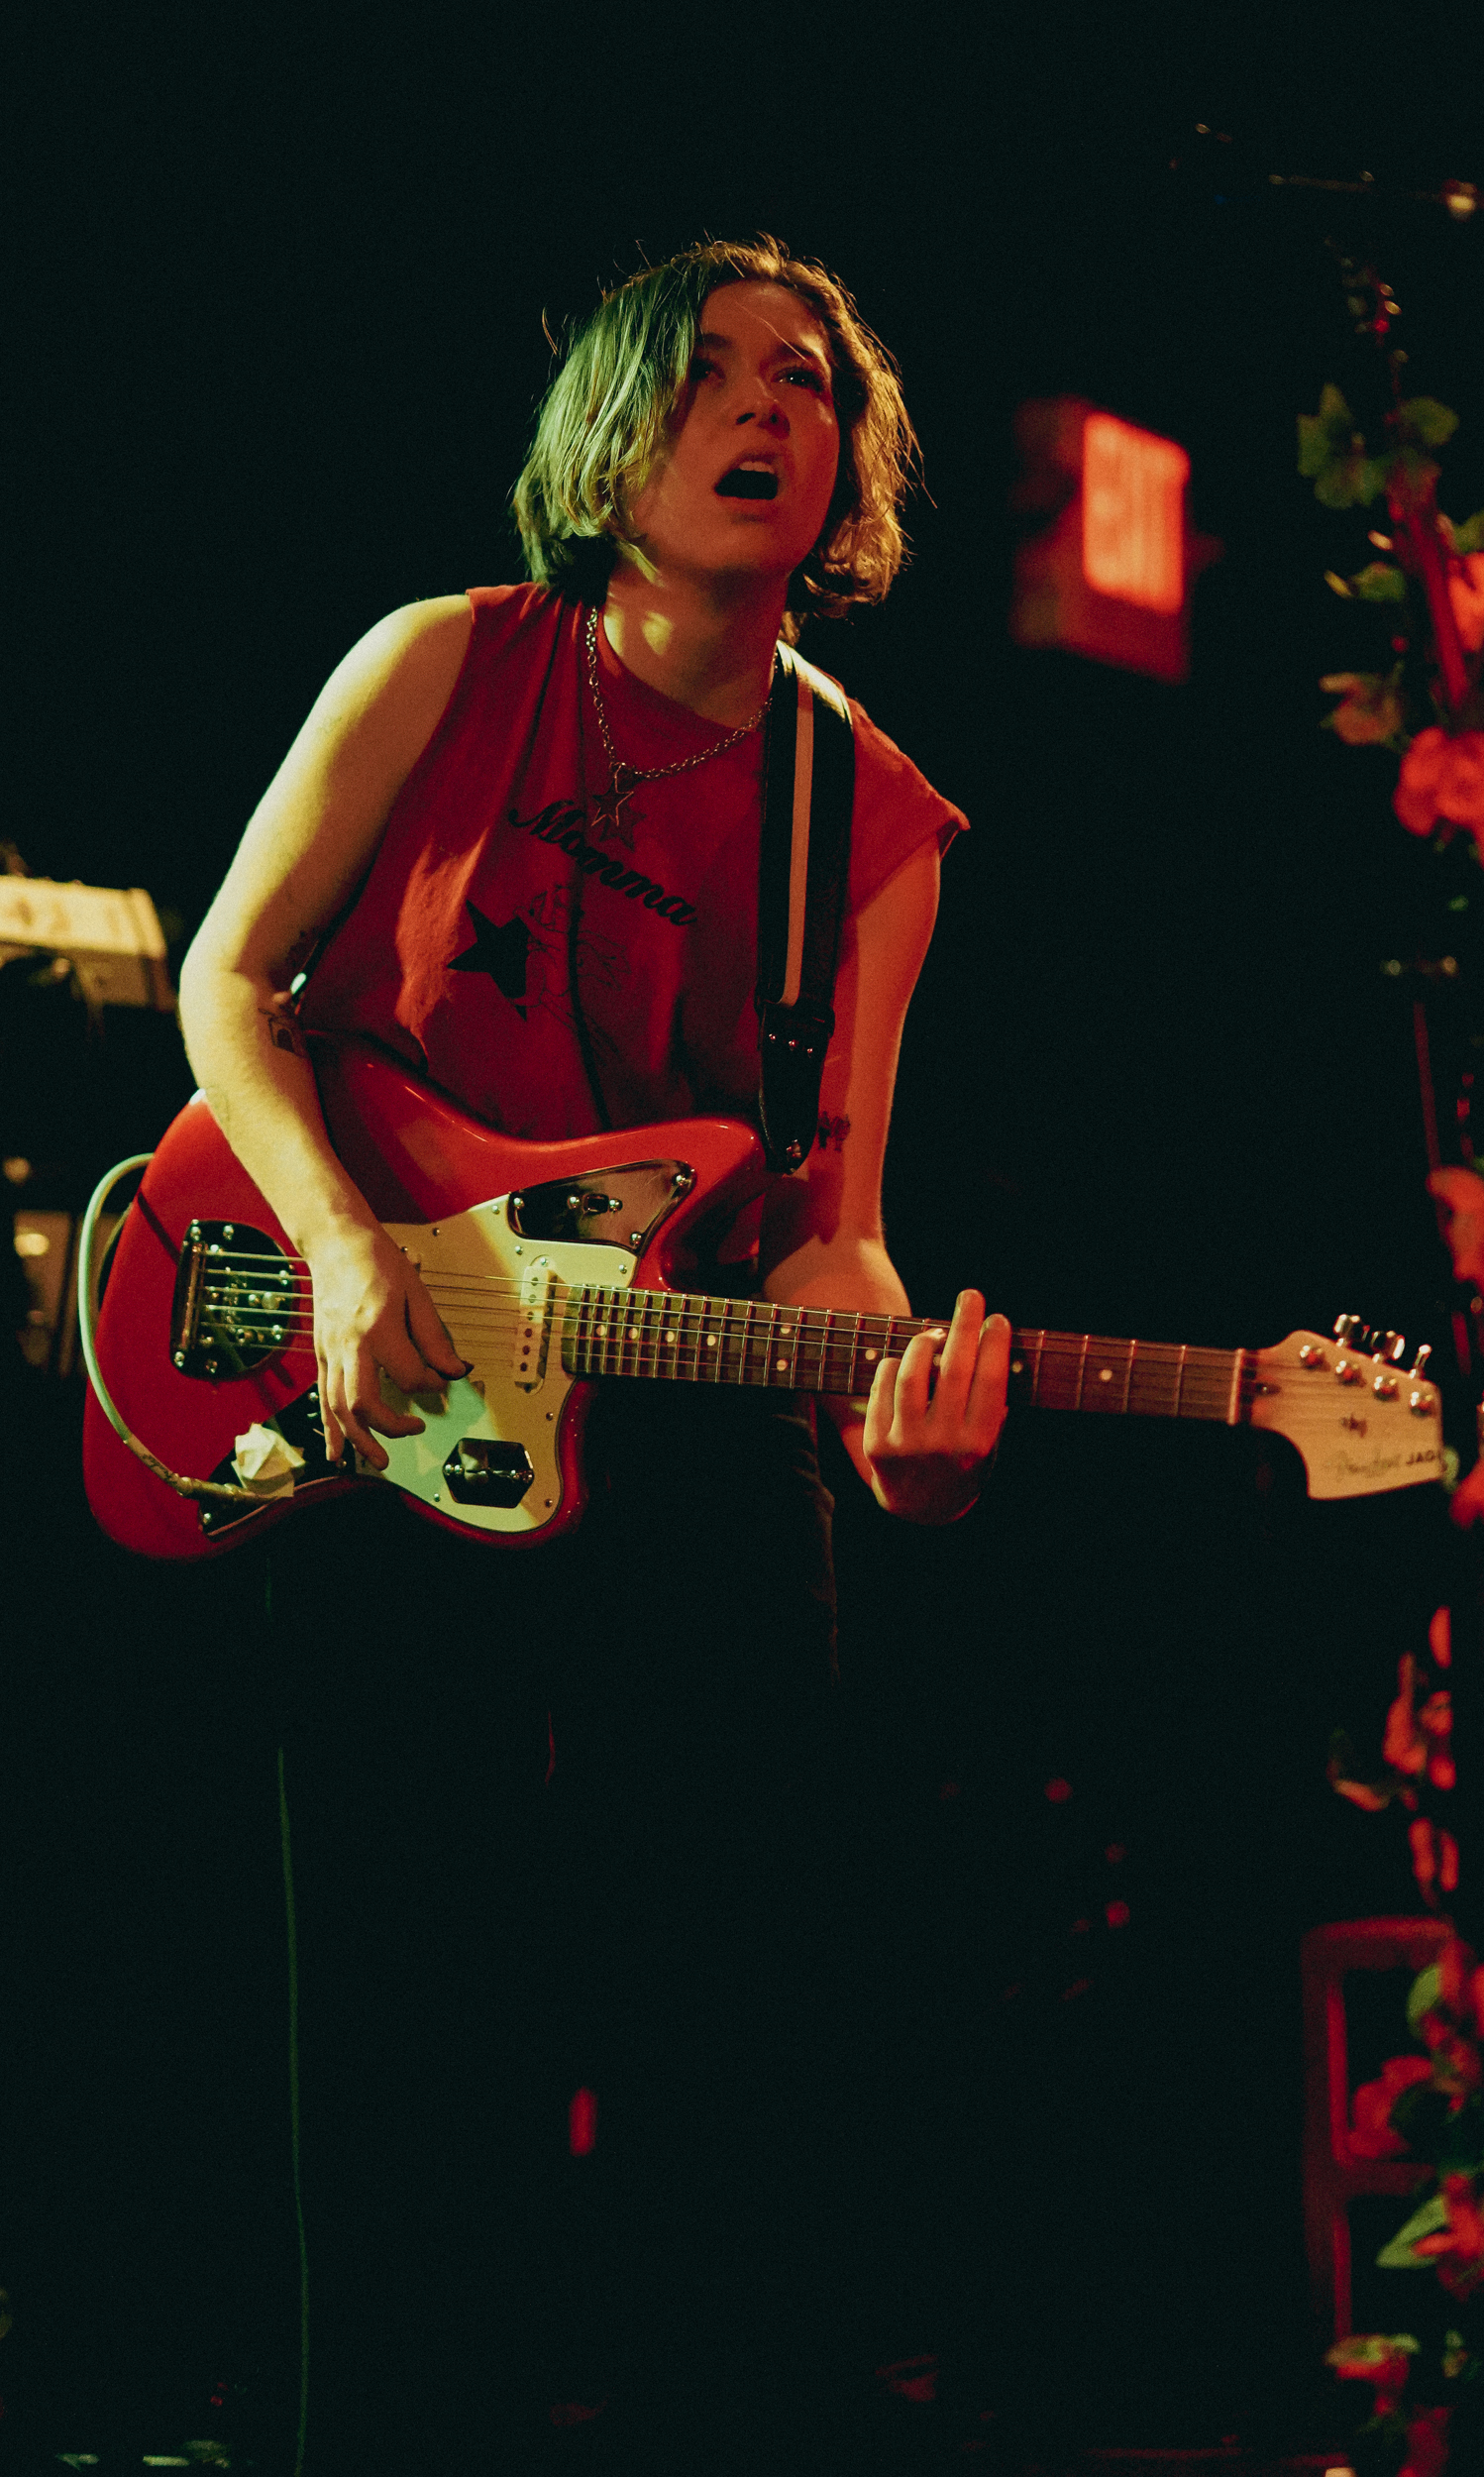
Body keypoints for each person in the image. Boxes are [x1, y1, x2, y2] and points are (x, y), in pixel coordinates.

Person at [176, 237, 1009, 2470]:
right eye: (715, 372)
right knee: (404, 2053)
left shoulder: (877, 814)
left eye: (809, 378)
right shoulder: (447, 660)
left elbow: (833, 1235)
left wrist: (901, 1425)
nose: (768, 407)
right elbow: (227, 985)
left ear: (846, 459)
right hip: (392, 1398)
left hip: (689, 1445)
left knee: (734, 2068)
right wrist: (346, 1243)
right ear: (613, 436)